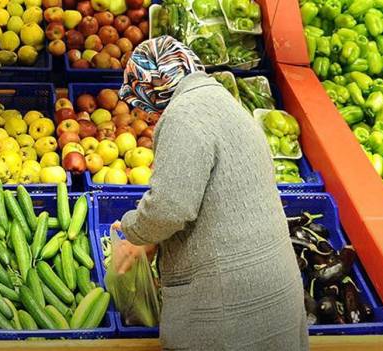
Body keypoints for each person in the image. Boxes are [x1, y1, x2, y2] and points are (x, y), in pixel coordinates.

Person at [111, 36, 308, 351]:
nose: (146, 115)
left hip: (230, 305)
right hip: (275, 290)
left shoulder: (184, 116)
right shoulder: (226, 103)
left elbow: (169, 208)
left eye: (140, 100)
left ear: (152, 86)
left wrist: (135, 231)